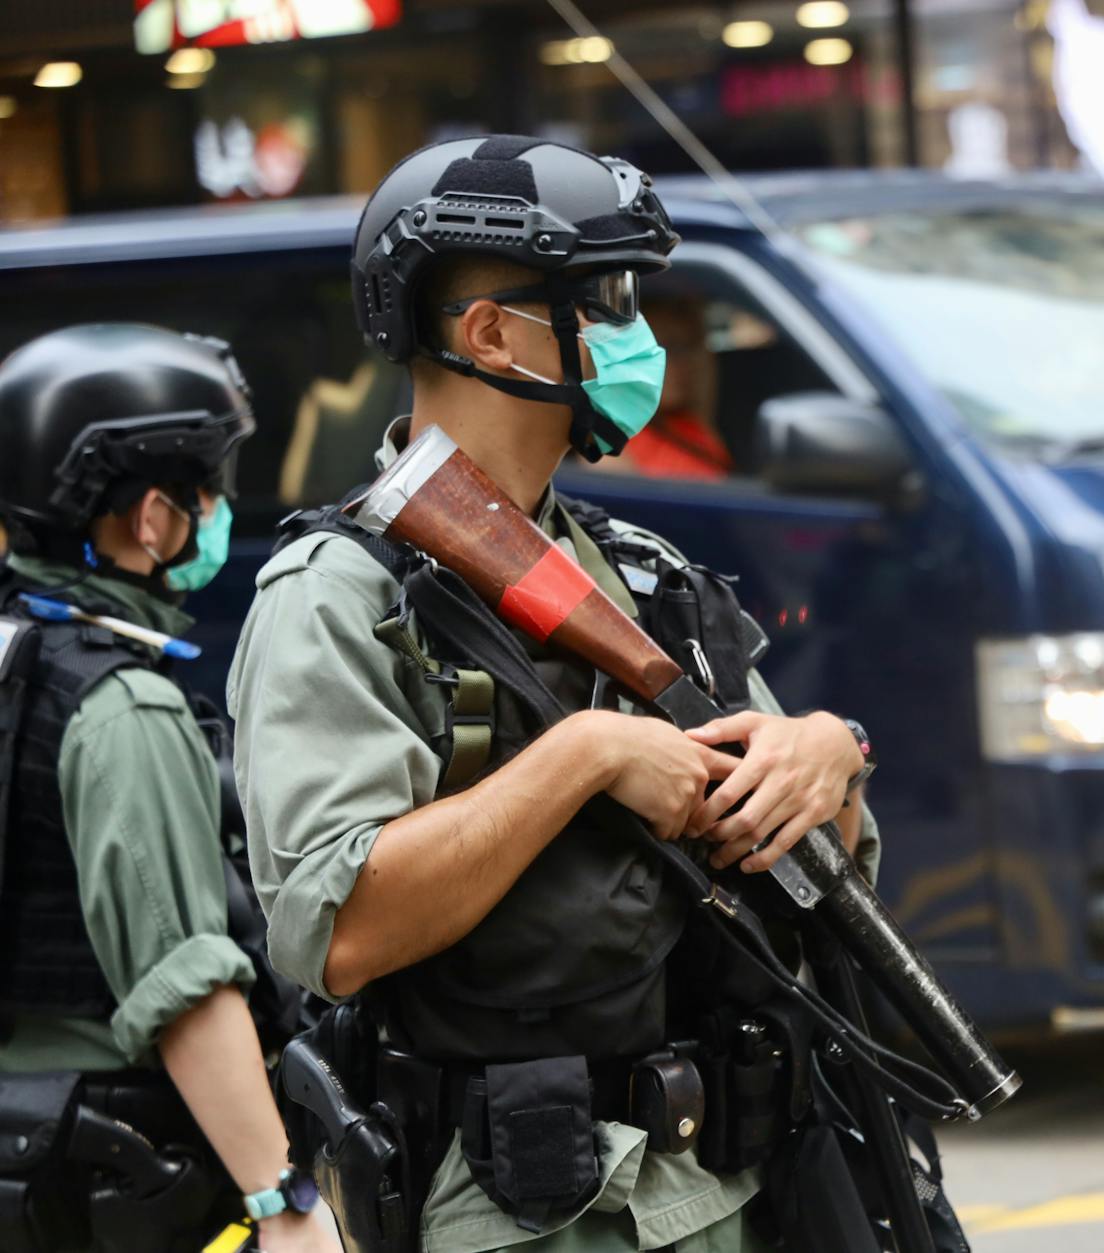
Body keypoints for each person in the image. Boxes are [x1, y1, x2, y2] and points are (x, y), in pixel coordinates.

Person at [227, 137, 887, 1251]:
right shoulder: (339, 595)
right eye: (606, 297)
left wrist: (829, 760)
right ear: (488, 334)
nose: (640, 335)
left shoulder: (637, 573)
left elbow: (811, 868)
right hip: (521, 1203)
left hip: (722, 1175)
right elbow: (332, 929)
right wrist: (581, 753)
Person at [0, 325, 334, 1252]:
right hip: (109, 1171)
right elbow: (186, 988)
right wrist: (284, 1202)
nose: (216, 512)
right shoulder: (120, 706)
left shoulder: (16, 654)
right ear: (151, 517)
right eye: (205, 491)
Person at [621, 297, 735, 480]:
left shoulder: (692, 426)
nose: (684, 364)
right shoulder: (614, 441)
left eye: (687, 348)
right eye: (666, 348)